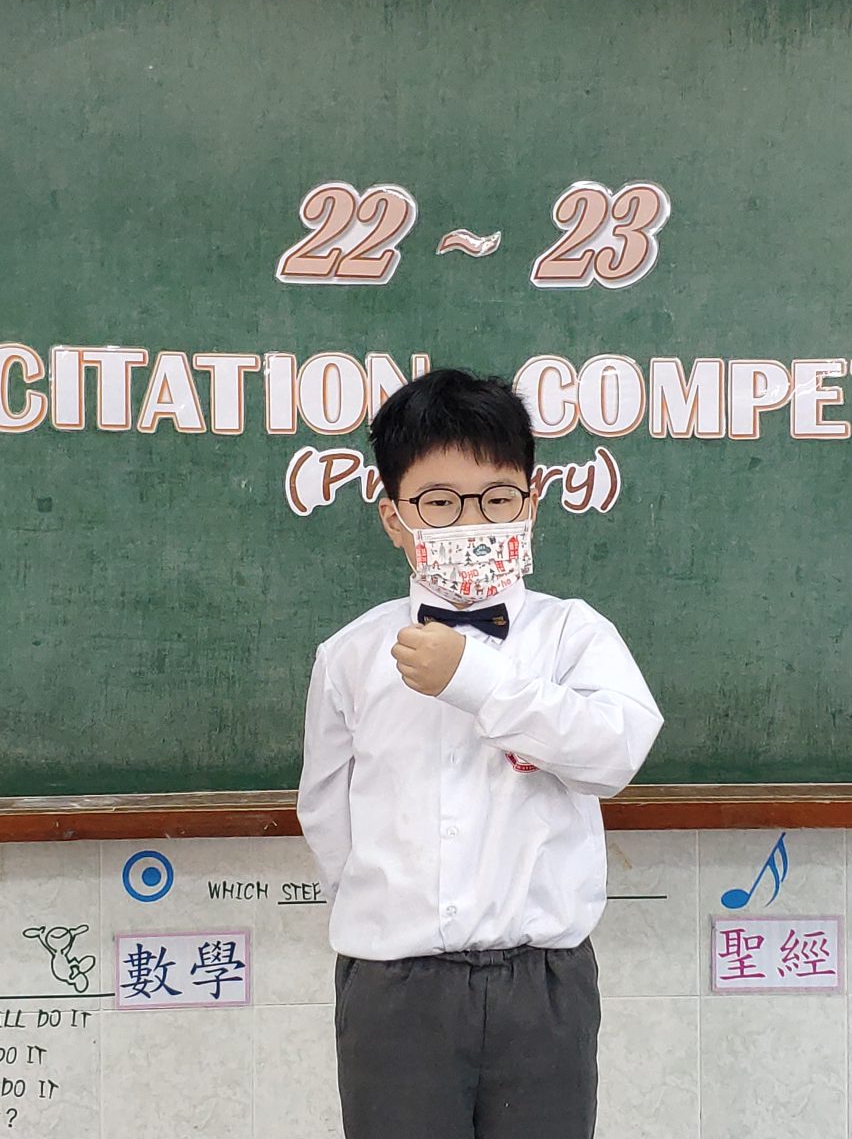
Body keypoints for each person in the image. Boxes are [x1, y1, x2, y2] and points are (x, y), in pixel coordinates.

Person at [297, 367, 663, 1139]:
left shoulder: (574, 635)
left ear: (532, 502)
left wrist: (477, 681)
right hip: (396, 986)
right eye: (440, 502)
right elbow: (327, 810)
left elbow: (614, 753)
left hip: (544, 982)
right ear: (394, 517)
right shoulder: (351, 654)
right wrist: (388, 915)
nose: (471, 521)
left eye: (496, 499)